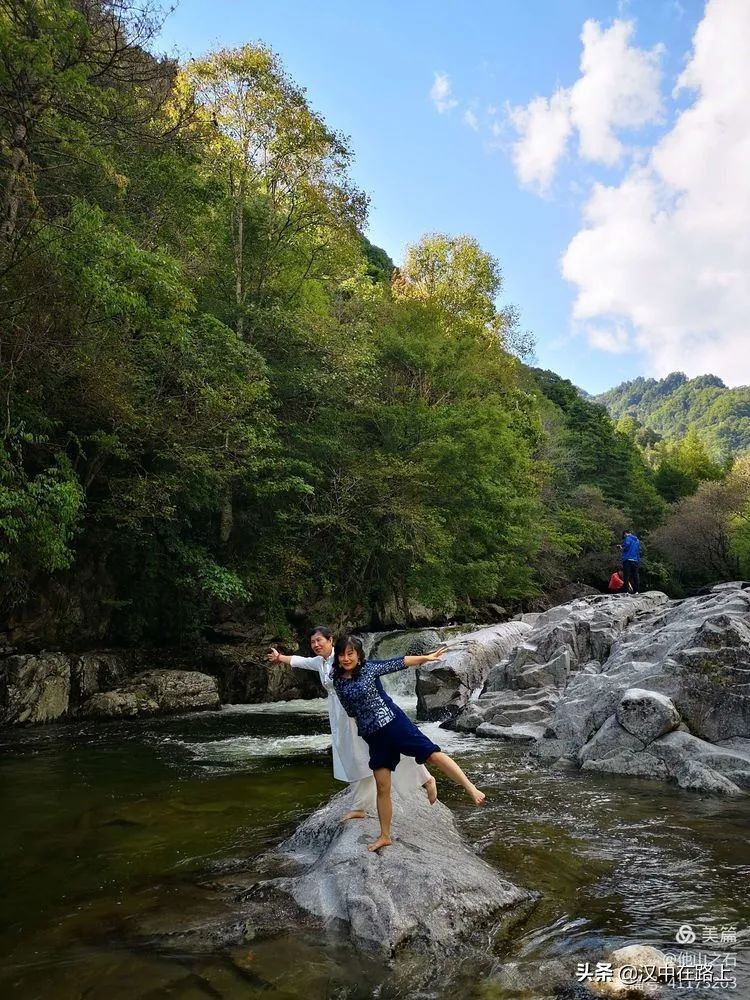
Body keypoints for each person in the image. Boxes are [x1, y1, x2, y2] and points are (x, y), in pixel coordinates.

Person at [332, 634, 486, 852]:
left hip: (395, 725)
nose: (346, 658)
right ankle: (385, 836)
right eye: (342, 654)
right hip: (373, 736)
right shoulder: (338, 680)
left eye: (350, 653)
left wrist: (426, 658)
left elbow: (400, 662)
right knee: (383, 786)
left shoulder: (369, 669)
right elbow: (351, 711)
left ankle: (471, 788)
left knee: (431, 754)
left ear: (358, 655)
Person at [266, 626, 437, 821]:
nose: (315, 645)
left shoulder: (343, 659)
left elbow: (373, 669)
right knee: (353, 757)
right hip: (339, 714)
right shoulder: (318, 662)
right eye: (313, 642)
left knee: (375, 750)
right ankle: (361, 805)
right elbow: (299, 661)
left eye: (319, 640)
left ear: (331, 640)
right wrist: (280, 657)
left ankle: (425, 779)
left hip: (359, 711)